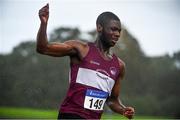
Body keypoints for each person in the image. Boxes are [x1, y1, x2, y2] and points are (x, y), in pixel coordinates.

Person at [37, 3, 135, 119]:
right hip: (71, 115)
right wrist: (44, 23)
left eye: (119, 31)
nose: (117, 34)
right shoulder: (81, 49)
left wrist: (123, 110)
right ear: (99, 28)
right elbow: (43, 48)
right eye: (113, 29)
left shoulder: (119, 66)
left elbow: (112, 100)